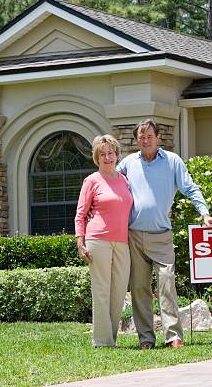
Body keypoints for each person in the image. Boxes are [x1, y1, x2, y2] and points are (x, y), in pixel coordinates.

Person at [117, 119, 212, 349]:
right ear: (137, 140)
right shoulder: (127, 164)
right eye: (141, 137)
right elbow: (111, 186)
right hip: (134, 234)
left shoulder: (172, 161)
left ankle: (173, 336)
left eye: (149, 137)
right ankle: (146, 338)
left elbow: (190, 188)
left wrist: (205, 213)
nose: (145, 141)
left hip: (162, 235)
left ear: (158, 139)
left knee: (166, 284)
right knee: (139, 288)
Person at [75, 135, 133, 348]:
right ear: (96, 158)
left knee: (118, 292)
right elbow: (80, 214)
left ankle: (112, 338)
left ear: (117, 155)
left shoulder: (124, 179)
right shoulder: (92, 181)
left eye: (111, 153)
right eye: (102, 154)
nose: (107, 157)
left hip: (122, 242)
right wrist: (80, 242)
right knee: (101, 291)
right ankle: (102, 341)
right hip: (97, 240)